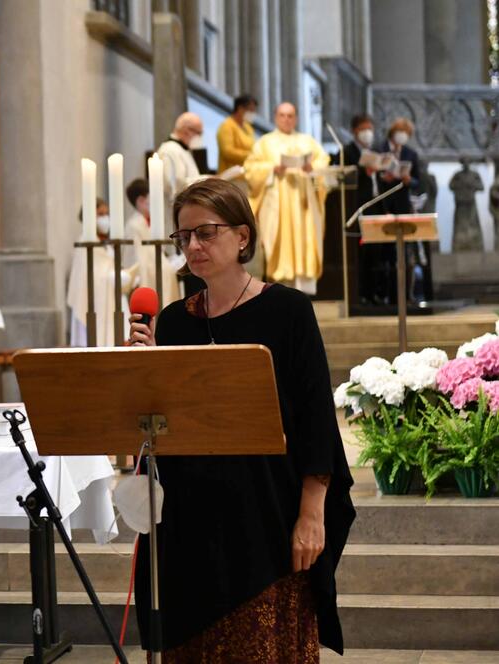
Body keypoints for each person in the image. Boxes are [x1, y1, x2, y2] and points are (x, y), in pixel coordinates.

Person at [127, 178, 355, 662]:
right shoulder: (172, 321)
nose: (192, 246)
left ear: (243, 236)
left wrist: (311, 514)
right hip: (190, 523)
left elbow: (317, 421)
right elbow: (165, 425)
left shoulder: (288, 311)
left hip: (265, 516)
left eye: (205, 232)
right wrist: (142, 376)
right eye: (183, 236)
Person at [245, 102, 330, 295]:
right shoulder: (264, 143)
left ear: (296, 118)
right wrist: (272, 168)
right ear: (275, 117)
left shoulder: (308, 142)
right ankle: (281, 286)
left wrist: (312, 168)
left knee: (305, 238)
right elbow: (250, 169)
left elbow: (322, 162)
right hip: (277, 202)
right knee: (280, 239)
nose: (286, 119)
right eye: (282, 115)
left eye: (290, 115)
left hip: (303, 203)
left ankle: (305, 287)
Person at [377, 118, 432, 304]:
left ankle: (404, 295)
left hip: (403, 205)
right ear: (393, 132)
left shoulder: (410, 153)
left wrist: (409, 180)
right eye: (400, 131)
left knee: (405, 254)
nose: (403, 136)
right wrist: (383, 177)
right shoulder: (380, 149)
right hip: (383, 204)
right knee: (385, 254)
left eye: (406, 133)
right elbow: (372, 174)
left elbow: (418, 181)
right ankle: (385, 295)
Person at [66, 198, 136, 347]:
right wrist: (113, 277)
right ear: (91, 218)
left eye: (107, 213)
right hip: (94, 302)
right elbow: (89, 277)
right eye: (101, 214)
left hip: (112, 298)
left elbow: (107, 267)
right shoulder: (85, 242)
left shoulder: (105, 244)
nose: (106, 218)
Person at [341, 115, 393, 307]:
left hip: (376, 205)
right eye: (364, 128)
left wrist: (382, 174)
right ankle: (361, 294)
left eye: (370, 128)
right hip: (359, 208)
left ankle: (375, 293)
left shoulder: (375, 151)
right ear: (355, 130)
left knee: (377, 255)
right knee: (362, 255)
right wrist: (364, 171)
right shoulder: (347, 151)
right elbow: (346, 174)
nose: (368, 132)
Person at [157, 112, 205, 199]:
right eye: (199, 133)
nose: (200, 137)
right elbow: (173, 185)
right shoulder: (169, 150)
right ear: (187, 130)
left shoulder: (181, 149)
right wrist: (205, 180)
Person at [217, 94, 258, 178]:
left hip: (246, 175)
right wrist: (251, 156)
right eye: (250, 110)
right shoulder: (227, 126)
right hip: (231, 177)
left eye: (254, 110)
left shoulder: (248, 127)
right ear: (240, 108)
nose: (252, 113)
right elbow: (228, 152)